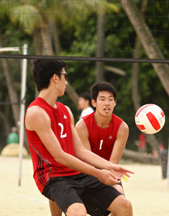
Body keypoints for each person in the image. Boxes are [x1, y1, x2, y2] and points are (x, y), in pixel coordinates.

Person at [25, 59, 133, 216]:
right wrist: (98, 173)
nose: (66, 82)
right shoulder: (36, 113)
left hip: (76, 173)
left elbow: (80, 151)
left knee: (125, 206)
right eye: (65, 76)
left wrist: (110, 167)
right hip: (53, 176)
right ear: (55, 78)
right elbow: (59, 156)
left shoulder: (65, 110)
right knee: (78, 212)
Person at [49, 82, 129, 216]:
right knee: (57, 187)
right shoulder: (82, 125)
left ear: (115, 103)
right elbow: (86, 158)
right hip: (84, 171)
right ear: (94, 103)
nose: (107, 103)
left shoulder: (122, 128)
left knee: (122, 199)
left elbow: (113, 162)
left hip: (108, 171)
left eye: (111, 99)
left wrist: (108, 175)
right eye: (102, 99)